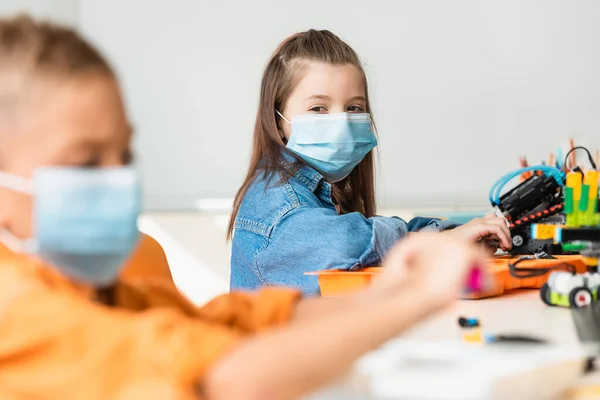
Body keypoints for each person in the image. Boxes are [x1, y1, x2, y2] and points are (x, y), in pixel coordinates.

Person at [0, 16, 487, 400]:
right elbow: (223, 379)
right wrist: (419, 295)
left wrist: (390, 290)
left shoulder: (95, 290)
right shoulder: (14, 310)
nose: (117, 180)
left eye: (124, 156)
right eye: (85, 162)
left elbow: (229, 324)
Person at [228, 29, 512, 294]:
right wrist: (441, 243)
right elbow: (345, 243)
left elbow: (370, 233)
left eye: (354, 108)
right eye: (318, 108)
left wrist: (460, 235)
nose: (342, 123)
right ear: (278, 122)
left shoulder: (319, 194)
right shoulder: (277, 203)